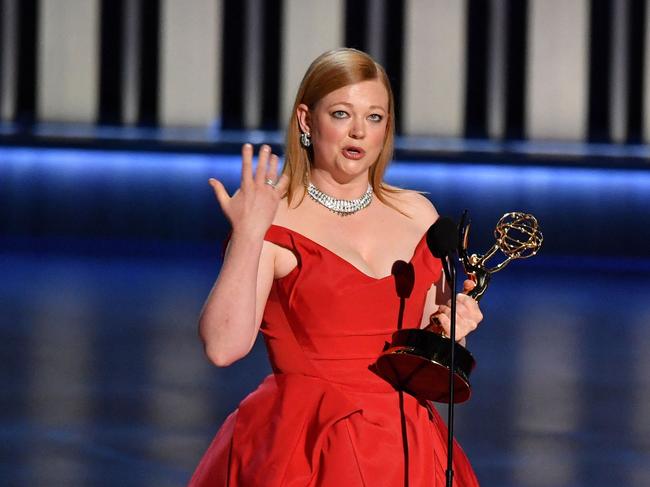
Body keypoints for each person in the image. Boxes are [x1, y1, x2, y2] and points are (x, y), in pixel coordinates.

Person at [189, 48, 483, 486]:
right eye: (342, 114)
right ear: (307, 121)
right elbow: (222, 347)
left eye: (375, 117)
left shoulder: (418, 214)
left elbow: (420, 344)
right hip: (310, 450)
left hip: (406, 446)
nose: (359, 132)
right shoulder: (275, 217)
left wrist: (450, 329)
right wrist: (249, 235)